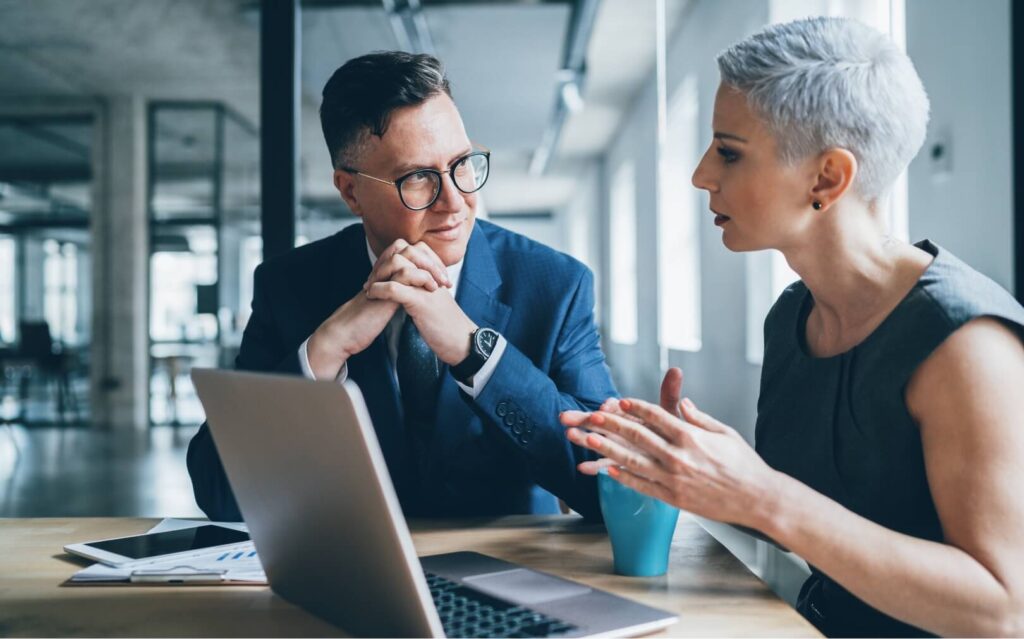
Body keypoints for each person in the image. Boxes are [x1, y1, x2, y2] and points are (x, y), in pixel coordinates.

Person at [562, 17, 1024, 638]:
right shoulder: (792, 317)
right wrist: (694, 469)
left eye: (729, 151)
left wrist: (760, 495)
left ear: (827, 178)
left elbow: (1004, 609)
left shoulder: (966, 346)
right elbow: (819, 517)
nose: (701, 174)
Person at [188, 51, 616, 521]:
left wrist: (477, 354)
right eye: (418, 178)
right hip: (353, 574)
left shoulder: (556, 285)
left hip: (511, 569)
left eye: (463, 163)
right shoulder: (289, 286)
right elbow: (219, 492)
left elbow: (609, 483)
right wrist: (326, 350)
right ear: (351, 192)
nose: (456, 202)